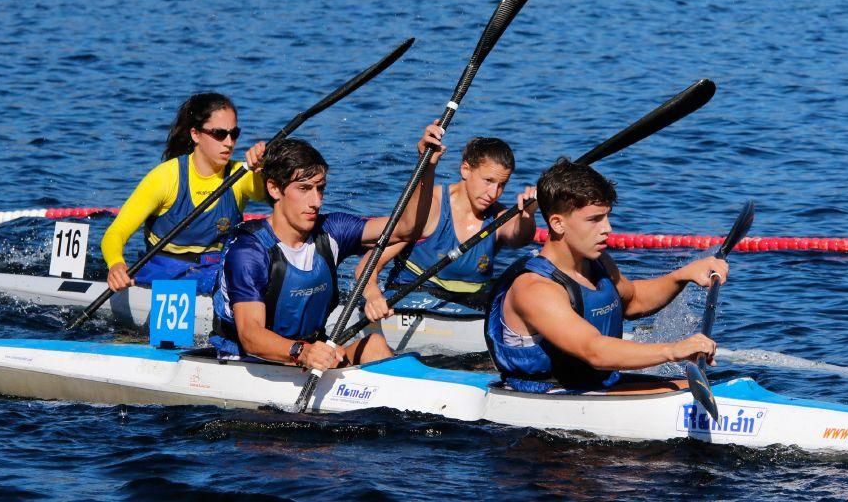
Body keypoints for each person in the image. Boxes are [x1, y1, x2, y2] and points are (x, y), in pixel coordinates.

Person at [209, 122, 444, 370]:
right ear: (274, 189)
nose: (316, 201)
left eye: (320, 189)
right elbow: (251, 337)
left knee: (373, 343)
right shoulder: (249, 251)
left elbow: (407, 228)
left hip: (311, 355)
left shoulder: (332, 231)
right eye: (304, 189)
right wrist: (302, 352)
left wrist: (426, 165)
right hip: (251, 363)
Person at [485, 159, 727, 393]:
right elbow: (594, 350)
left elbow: (634, 300)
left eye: (607, 216)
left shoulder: (597, 261)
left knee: (705, 387)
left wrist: (683, 275)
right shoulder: (534, 289)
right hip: (547, 395)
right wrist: (674, 350)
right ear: (558, 223)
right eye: (594, 219)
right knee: (688, 391)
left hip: (595, 384)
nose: (607, 228)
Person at [357, 137, 537, 322]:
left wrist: (528, 216)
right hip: (415, 299)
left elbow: (520, 238)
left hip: (472, 306)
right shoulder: (430, 208)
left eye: (502, 185)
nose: (493, 193)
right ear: (465, 169)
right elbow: (367, 266)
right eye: (488, 181)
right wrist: (373, 295)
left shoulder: (499, 217)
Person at [101, 92, 266, 295]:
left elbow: (266, 194)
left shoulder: (240, 175)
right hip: (163, 273)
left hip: (215, 272)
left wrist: (261, 170)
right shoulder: (166, 178)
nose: (229, 142)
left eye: (234, 133)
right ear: (195, 134)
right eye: (220, 134)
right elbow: (115, 233)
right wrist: (116, 264)